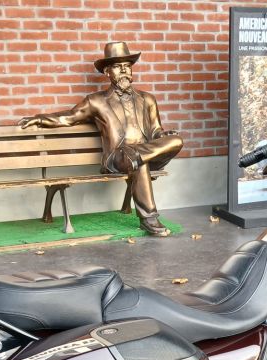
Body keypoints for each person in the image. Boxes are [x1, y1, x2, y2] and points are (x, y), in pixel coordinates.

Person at [19, 42, 183, 237]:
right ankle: (149, 219)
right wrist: (40, 118)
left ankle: (137, 155)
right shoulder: (96, 101)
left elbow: (157, 131)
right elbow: (69, 117)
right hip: (117, 158)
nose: (123, 70)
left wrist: (164, 136)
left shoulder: (147, 99)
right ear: (107, 72)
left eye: (127, 66)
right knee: (139, 162)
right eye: (117, 66)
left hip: (145, 152)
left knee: (176, 141)